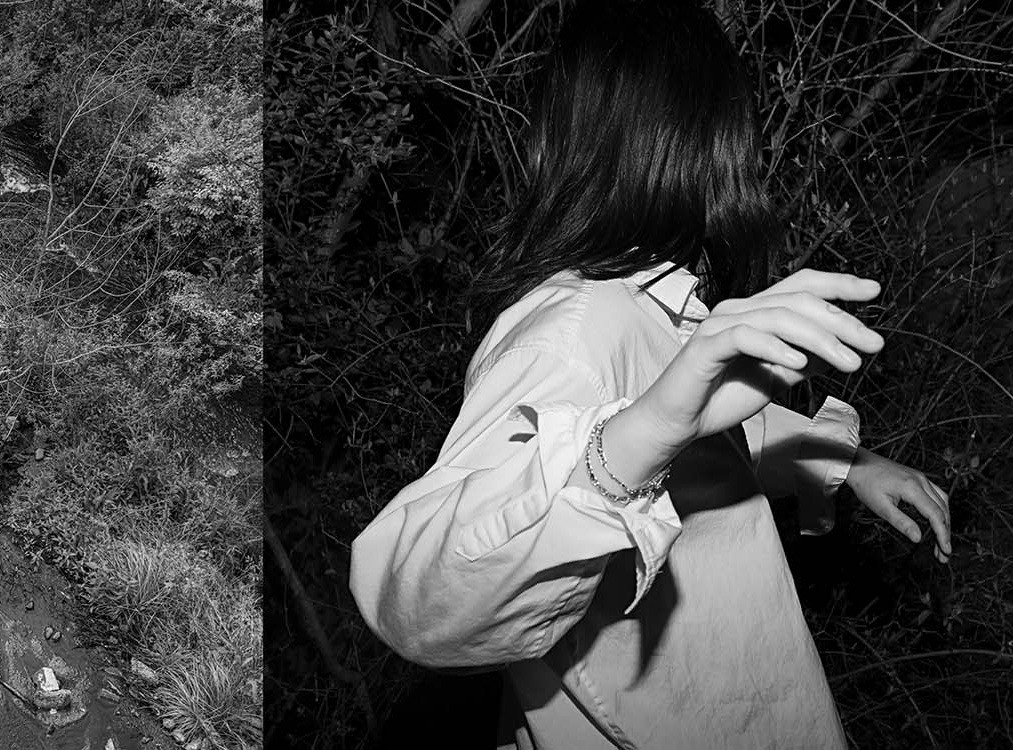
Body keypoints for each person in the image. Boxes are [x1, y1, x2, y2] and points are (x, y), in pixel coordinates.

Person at [347, 1, 953, 748]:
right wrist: (636, 441)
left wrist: (845, 462)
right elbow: (426, 610)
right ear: (697, 136)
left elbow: (709, 436)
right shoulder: (571, 329)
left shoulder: (653, 304)